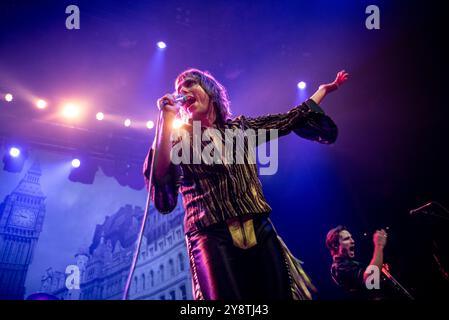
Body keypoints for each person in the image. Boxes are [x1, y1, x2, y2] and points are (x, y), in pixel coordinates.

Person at [143, 68, 348, 300]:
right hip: (211, 234)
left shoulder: (240, 129)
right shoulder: (178, 137)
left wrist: (322, 91)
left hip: (258, 227)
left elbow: (289, 119)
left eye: (190, 84)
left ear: (209, 91)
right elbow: (159, 173)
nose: (183, 91)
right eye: (179, 90)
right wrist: (167, 119)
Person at [325, 225, 388, 299]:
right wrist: (379, 245)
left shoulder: (349, 263)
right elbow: (370, 280)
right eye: (347, 239)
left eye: (351, 237)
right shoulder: (339, 267)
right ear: (335, 245)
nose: (353, 241)